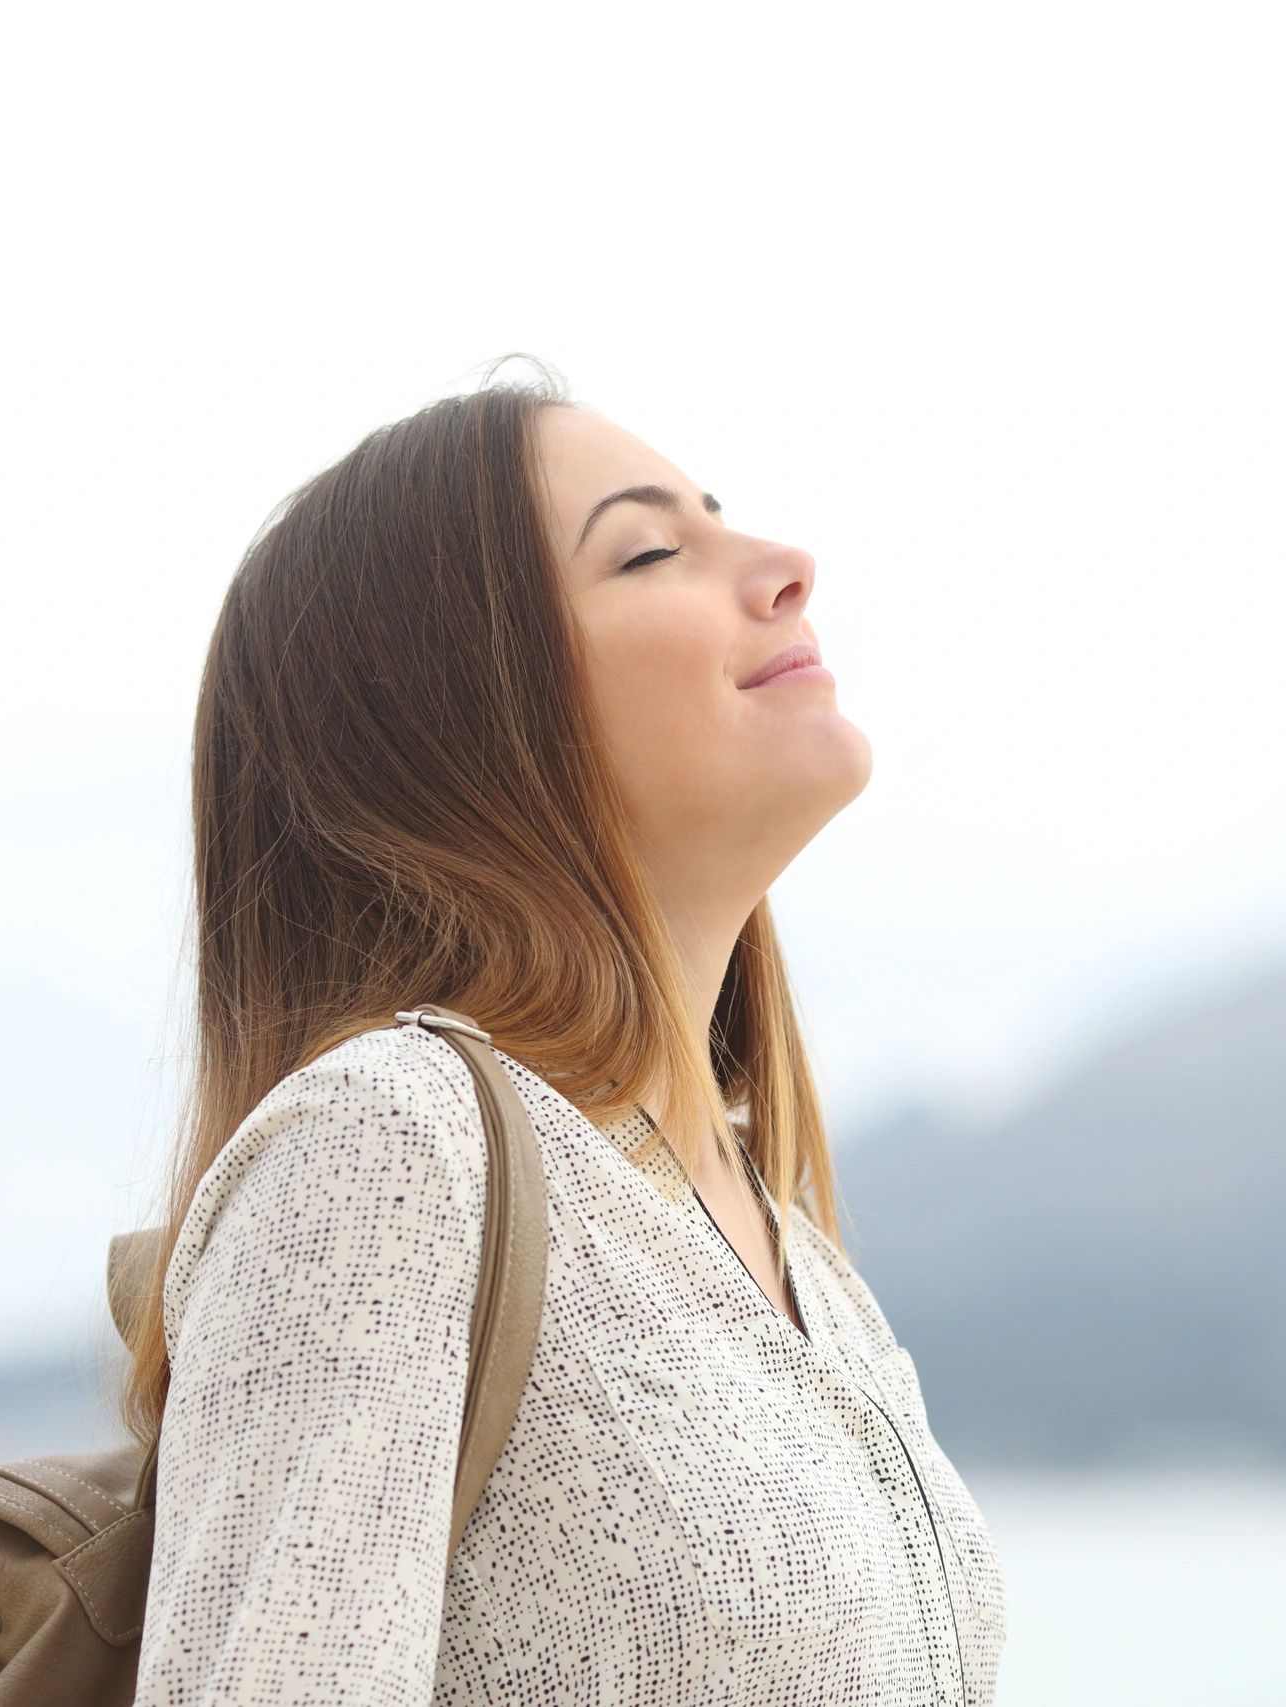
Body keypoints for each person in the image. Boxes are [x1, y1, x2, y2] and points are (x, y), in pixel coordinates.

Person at [123, 357, 1009, 1705]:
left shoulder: (792, 1251)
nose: (787, 565)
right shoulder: (386, 1147)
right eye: (652, 551)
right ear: (458, 717)